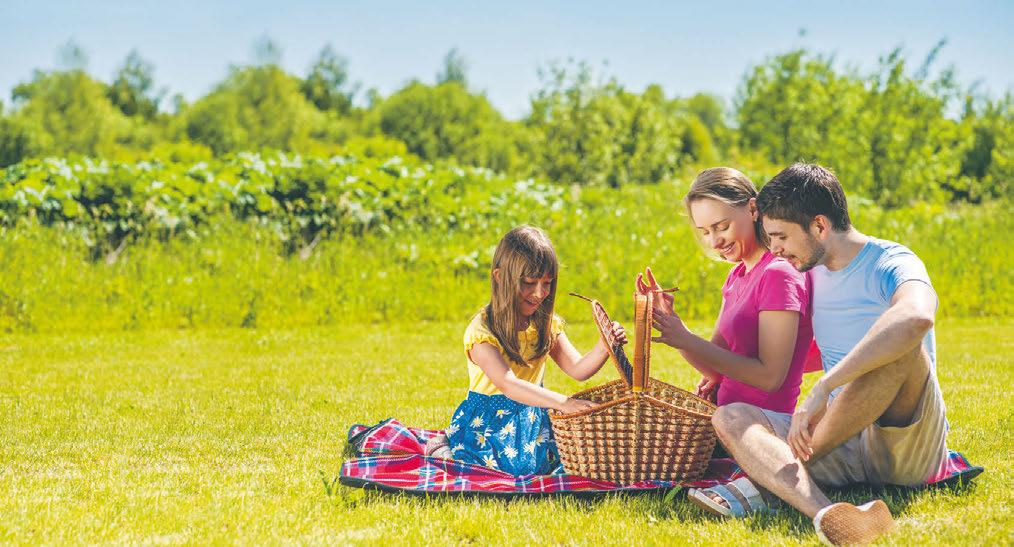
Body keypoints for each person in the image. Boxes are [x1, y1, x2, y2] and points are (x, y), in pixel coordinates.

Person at [712, 163, 948, 545]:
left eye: (781, 236)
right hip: (841, 440)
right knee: (730, 416)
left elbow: (917, 316)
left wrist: (826, 386)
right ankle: (829, 513)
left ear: (820, 226)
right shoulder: (809, 271)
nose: (774, 249)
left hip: (902, 443)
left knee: (905, 349)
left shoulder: (891, 261)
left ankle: (776, 475)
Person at [638, 167, 814, 515]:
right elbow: (715, 369)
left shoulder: (778, 274)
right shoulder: (736, 276)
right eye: (705, 232)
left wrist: (685, 338)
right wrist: (675, 328)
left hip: (761, 427)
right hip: (723, 421)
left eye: (721, 226)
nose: (714, 241)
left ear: (753, 209)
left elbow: (771, 377)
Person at [428, 225, 627, 476]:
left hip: (533, 415)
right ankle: (443, 448)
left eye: (547, 283)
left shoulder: (545, 324)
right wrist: (565, 403)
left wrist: (605, 345)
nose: (540, 293)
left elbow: (578, 369)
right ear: (500, 277)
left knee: (569, 460)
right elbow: (508, 385)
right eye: (530, 283)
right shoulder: (482, 332)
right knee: (504, 470)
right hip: (489, 420)